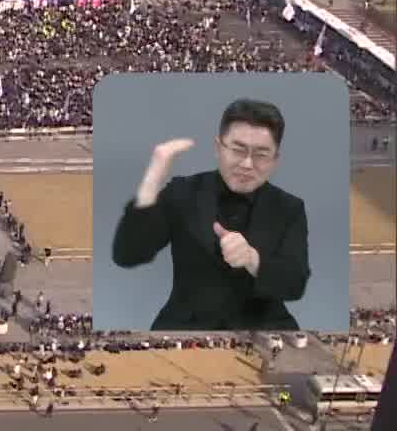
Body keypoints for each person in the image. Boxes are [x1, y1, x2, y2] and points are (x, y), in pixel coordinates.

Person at [110, 98, 310, 330]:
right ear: (218, 148)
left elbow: (295, 284)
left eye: (261, 154)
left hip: (265, 329)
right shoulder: (183, 192)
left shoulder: (289, 208)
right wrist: (151, 182)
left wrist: (252, 259)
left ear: (275, 160)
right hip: (185, 325)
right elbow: (127, 255)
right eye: (238, 150)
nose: (247, 164)